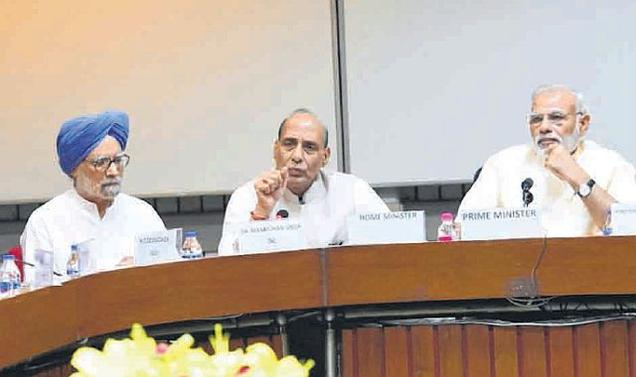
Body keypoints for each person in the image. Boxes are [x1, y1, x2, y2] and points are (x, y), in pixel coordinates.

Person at [458, 85, 636, 236]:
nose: (543, 128)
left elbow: (628, 230)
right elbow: (462, 230)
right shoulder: (503, 164)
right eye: (536, 119)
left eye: (556, 118)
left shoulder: (612, 165)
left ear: (583, 124)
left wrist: (578, 178)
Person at [20, 111, 166, 283]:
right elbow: (38, 294)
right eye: (100, 163)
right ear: (74, 169)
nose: (113, 171)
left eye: (118, 160)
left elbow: (172, 276)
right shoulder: (45, 222)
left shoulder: (142, 213)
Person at [218, 109, 389, 254]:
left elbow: (393, 243)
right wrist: (260, 214)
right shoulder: (247, 196)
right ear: (276, 150)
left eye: (309, 147)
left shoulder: (353, 191)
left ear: (325, 156)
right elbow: (227, 267)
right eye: (289, 145)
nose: (297, 156)